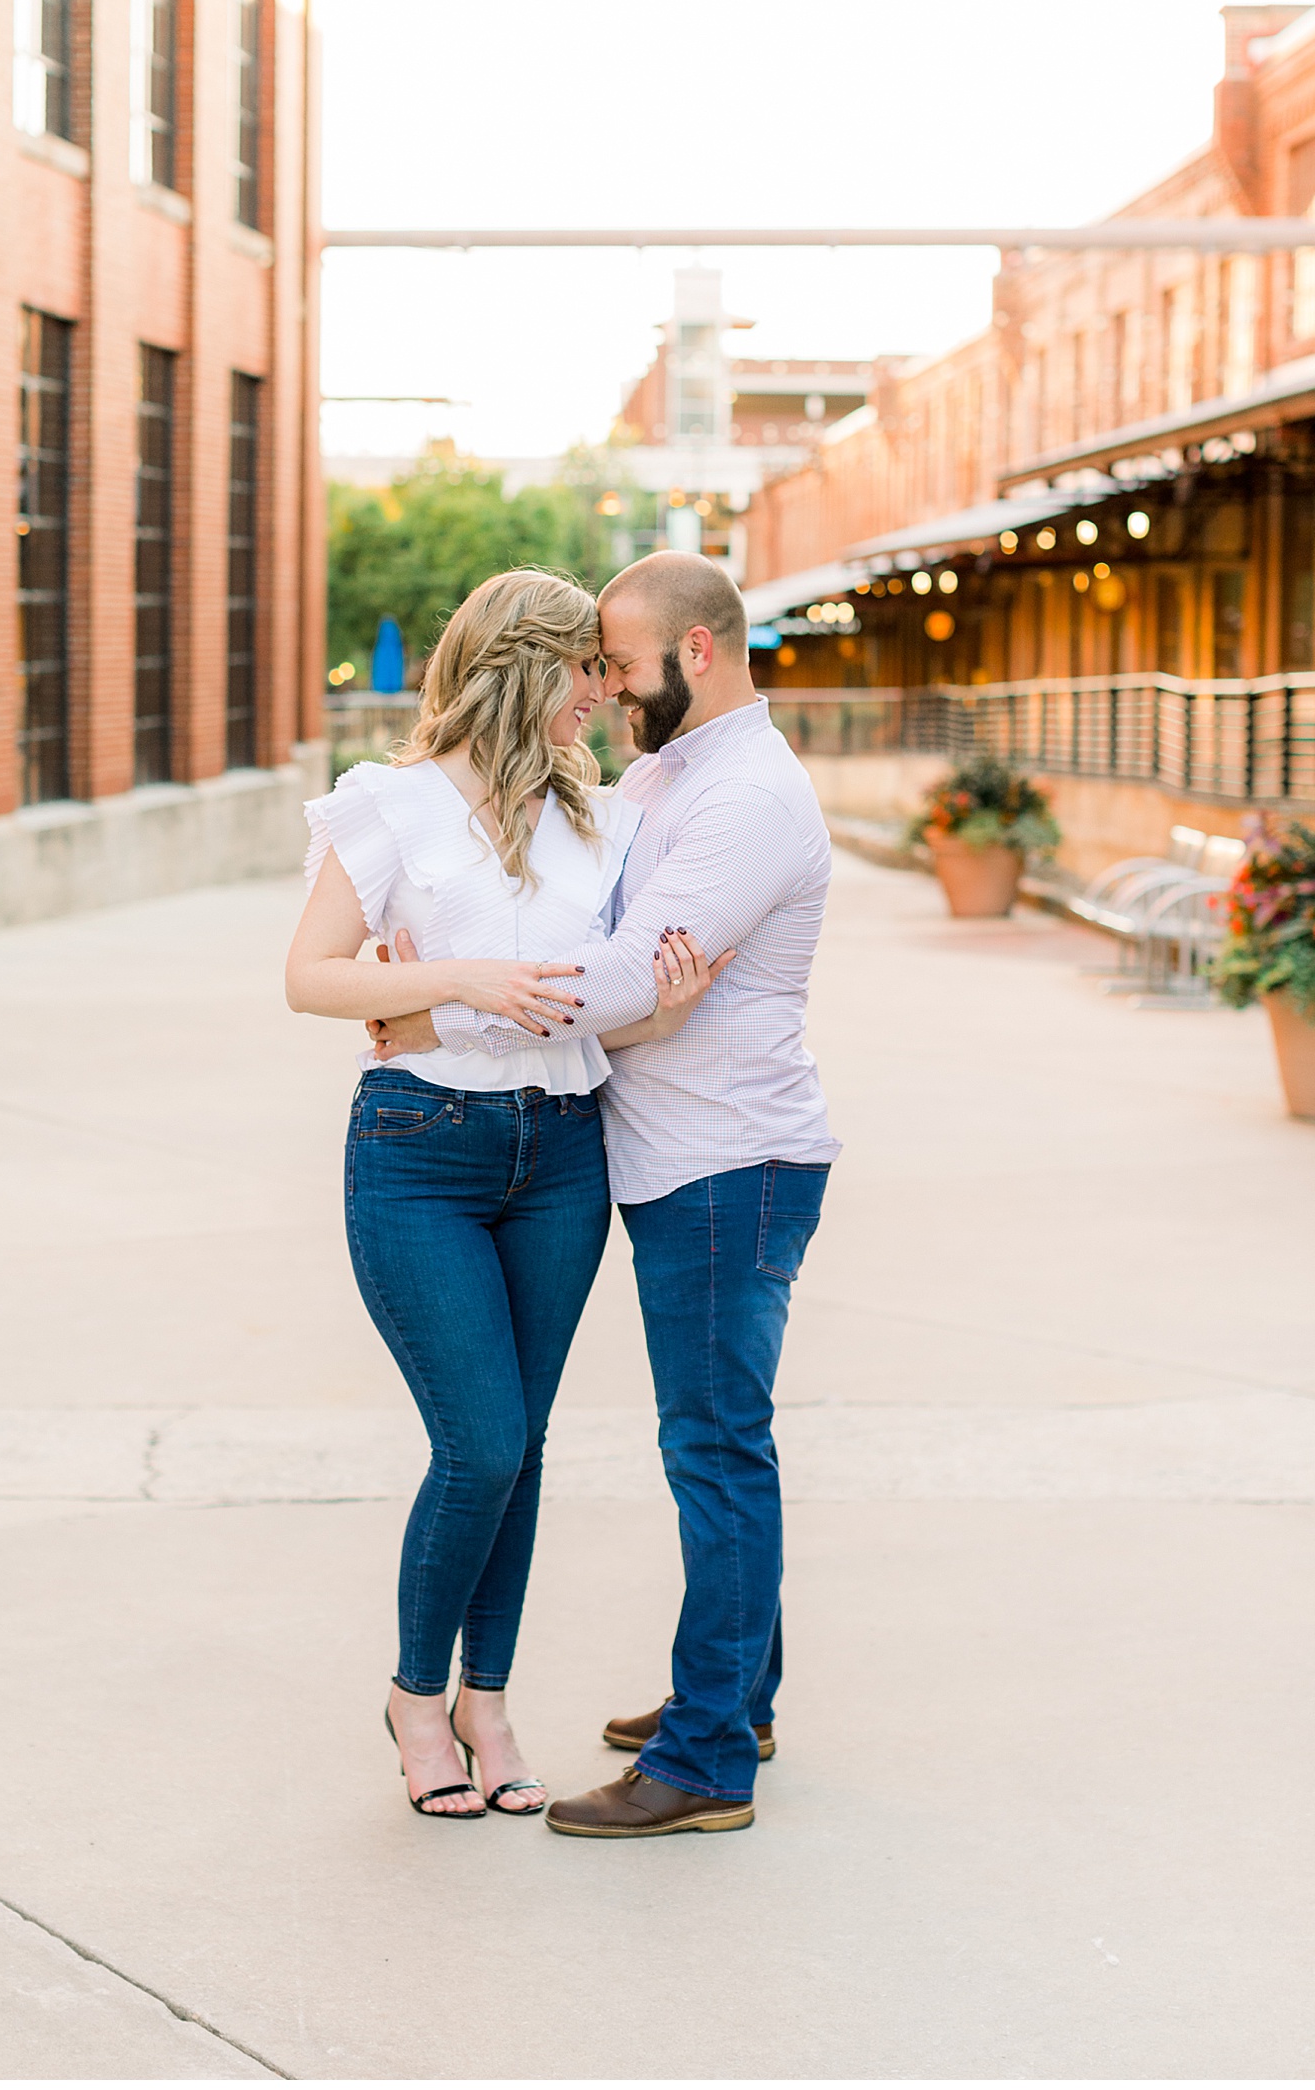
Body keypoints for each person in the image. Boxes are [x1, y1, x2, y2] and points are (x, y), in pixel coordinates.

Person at [368, 549, 837, 1838]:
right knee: (715, 1439)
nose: (612, 690)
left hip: (726, 1159)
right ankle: (736, 1694)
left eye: (623, 665)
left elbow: (628, 979)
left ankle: (705, 1762)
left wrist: (443, 1008)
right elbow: (583, 927)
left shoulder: (745, 797)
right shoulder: (668, 773)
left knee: (714, 1445)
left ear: (693, 652)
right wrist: (443, 984)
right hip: (670, 1149)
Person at [285, 568, 727, 1819]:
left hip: (562, 1155)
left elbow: (594, 998)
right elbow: (310, 977)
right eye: (589, 668)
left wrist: (662, 1008)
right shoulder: (390, 807)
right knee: (477, 1440)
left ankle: (489, 1698)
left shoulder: (606, 820)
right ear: (528, 668)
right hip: (422, 1151)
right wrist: (454, 985)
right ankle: (417, 1697)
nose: (605, 691)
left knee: (522, 1447)